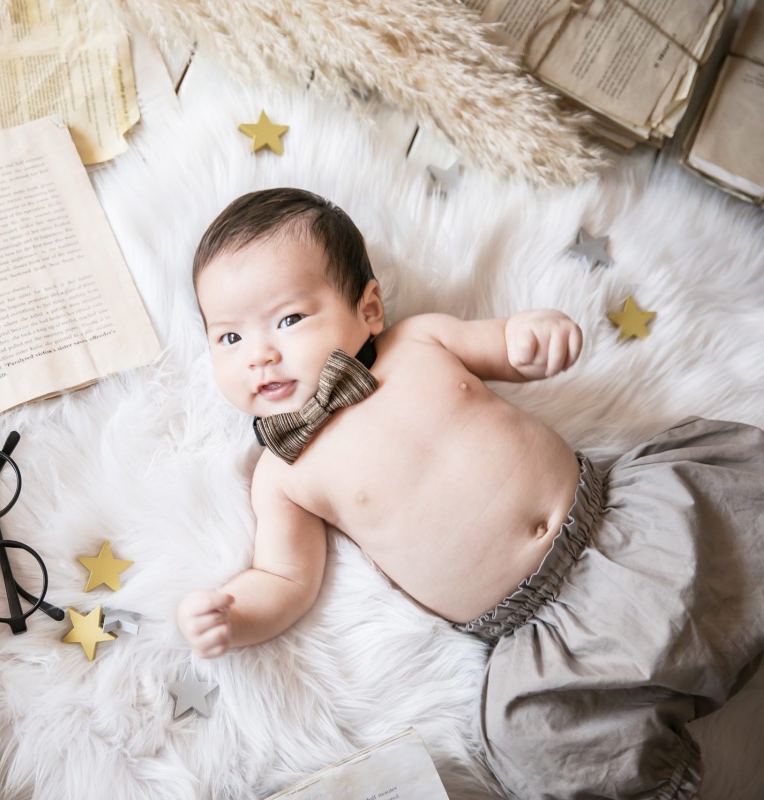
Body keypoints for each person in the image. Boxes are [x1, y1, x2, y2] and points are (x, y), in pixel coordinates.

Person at [176, 187, 764, 799]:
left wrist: (536, 335)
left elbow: (506, 345)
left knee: (719, 503)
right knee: (528, 736)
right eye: (229, 338)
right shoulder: (283, 473)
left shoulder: (417, 342)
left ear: (369, 309)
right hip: (539, 633)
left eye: (289, 319)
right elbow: (283, 577)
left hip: (613, 522)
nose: (260, 355)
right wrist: (235, 614)